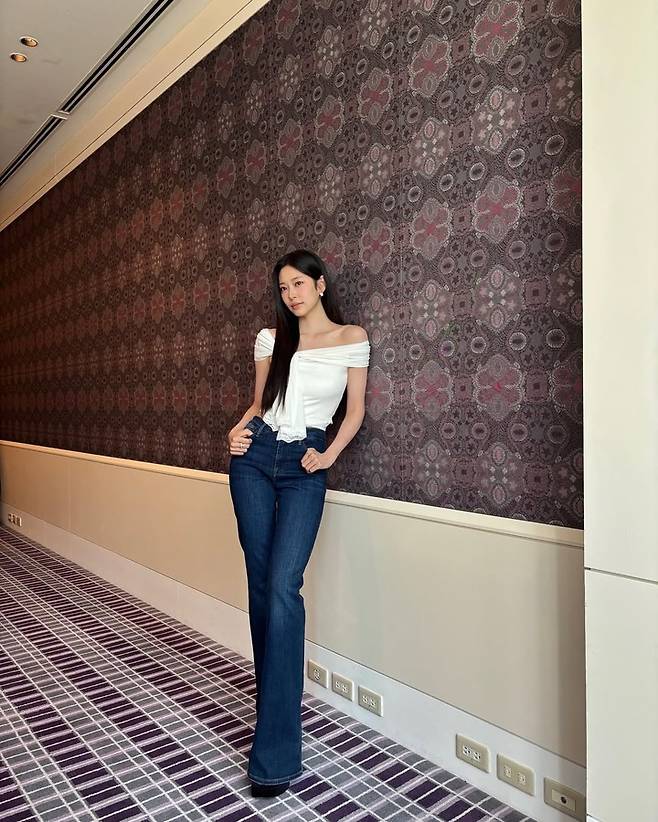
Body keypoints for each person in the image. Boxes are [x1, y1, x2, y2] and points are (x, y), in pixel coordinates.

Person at [226, 249, 370, 797]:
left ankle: (276, 753)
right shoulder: (272, 340)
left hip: (305, 463)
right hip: (255, 457)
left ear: (320, 284)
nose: (291, 295)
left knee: (284, 587)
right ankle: (273, 710)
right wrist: (235, 433)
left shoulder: (351, 339)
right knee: (261, 585)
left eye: (299, 284)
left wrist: (327, 455)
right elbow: (257, 405)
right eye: (283, 288)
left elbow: (354, 412)